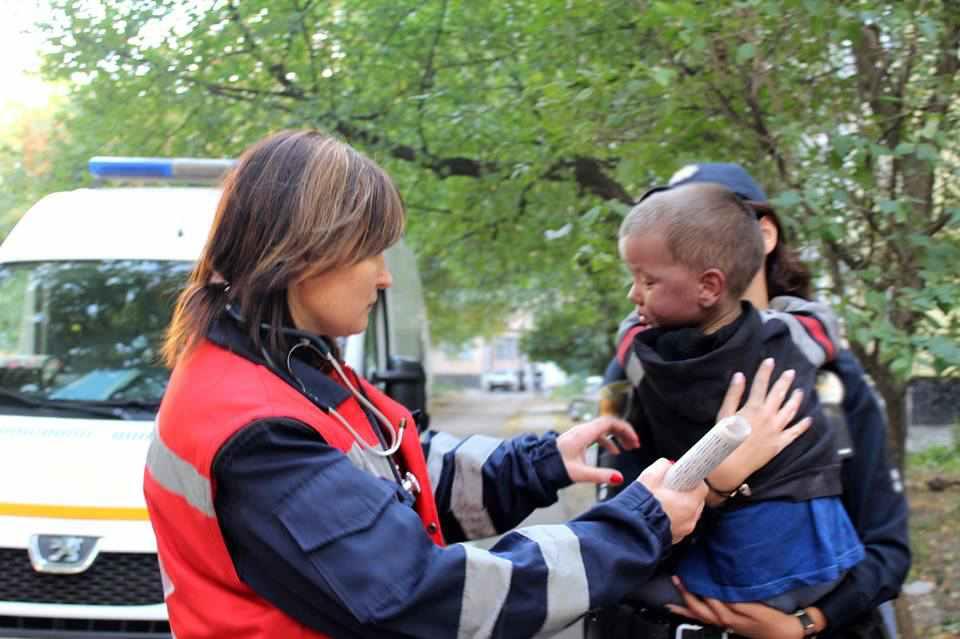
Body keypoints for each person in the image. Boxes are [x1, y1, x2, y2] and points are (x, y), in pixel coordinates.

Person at [141, 131, 806, 639]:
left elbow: (399, 472)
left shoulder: (288, 363)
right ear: (304, 251)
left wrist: (544, 461)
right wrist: (639, 525)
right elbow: (423, 594)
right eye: (371, 252)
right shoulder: (257, 431)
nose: (384, 278)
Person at [589, 163, 911, 639]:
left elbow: (886, 546)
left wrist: (804, 623)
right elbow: (611, 541)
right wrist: (717, 482)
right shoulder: (634, 373)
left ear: (762, 233)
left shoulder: (828, 371)